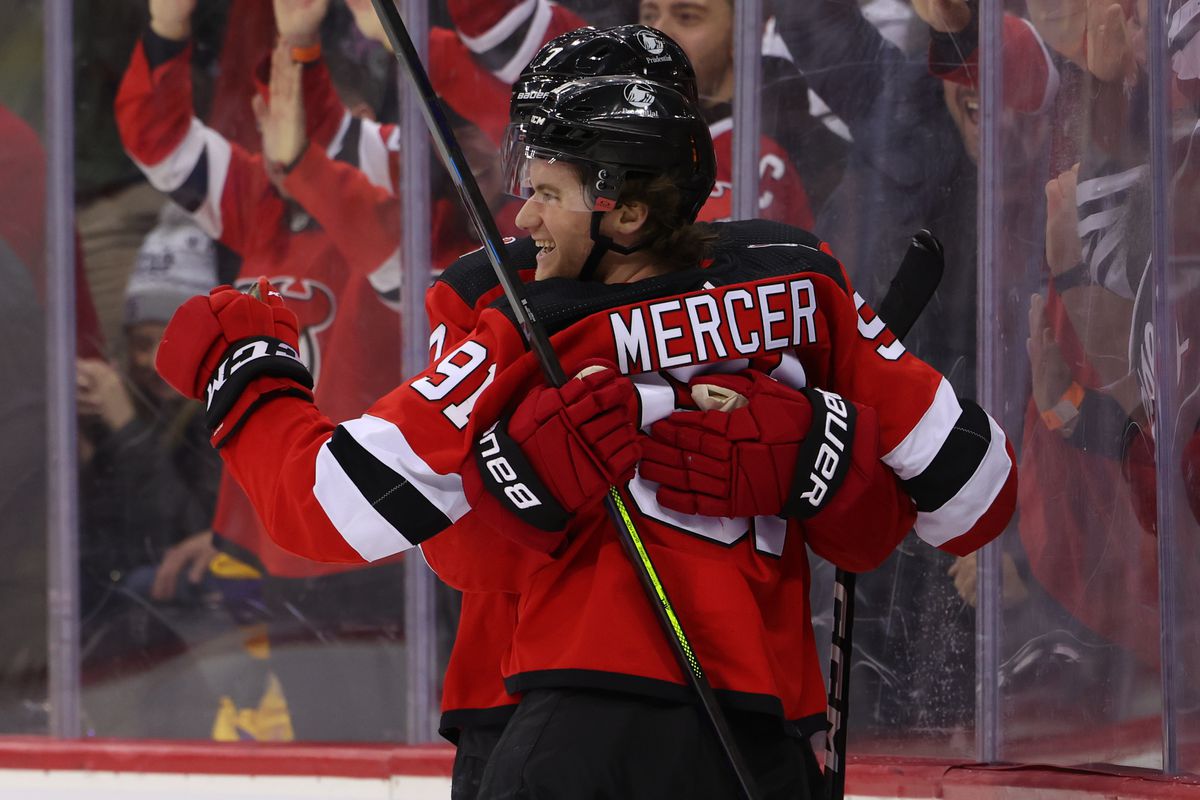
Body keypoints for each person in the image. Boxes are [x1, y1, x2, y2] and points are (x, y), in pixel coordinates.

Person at [154, 67, 1016, 796]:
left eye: (546, 193)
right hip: (766, 734)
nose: (522, 222)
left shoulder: (530, 323)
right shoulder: (798, 286)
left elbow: (333, 506)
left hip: (579, 724)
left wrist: (248, 376)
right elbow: (975, 497)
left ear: (628, 212)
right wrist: (833, 443)